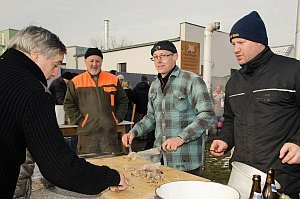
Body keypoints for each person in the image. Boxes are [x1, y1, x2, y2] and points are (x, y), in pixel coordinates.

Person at [0, 26, 128, 199]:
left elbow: (123, 101)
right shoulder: (33, 92)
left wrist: (114, 118)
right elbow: (59, 168)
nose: (54, 73)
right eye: (55, 64)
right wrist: (112, 177)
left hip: (108, 135)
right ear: (35, 54)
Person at [210, 11, 300, 198]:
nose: (235, 49)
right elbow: (230, 118)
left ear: (260, 42)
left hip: (281, 176)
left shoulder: (292, 70)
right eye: (233, 44)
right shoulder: (234, 81)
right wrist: (225, 139)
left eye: (241, 43)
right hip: (242, 174)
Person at [122, 40, 215, 176]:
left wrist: (180, 138)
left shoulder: (192, 80)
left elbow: (207, 114)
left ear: (175, 57)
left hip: (186, 160)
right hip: (161, 158)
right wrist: (134, 132)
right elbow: (151, 117)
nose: (159, 60)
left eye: (163, 55)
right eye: (155, 57)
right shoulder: (154, 85)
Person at [64, 48, 128, 155]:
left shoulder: (113, 79)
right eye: (91, 61)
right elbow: (68, 104)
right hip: (87, 135)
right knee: (89, 167)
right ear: (85, 62)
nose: (94, 64)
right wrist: (81, 121)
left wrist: (116, 119)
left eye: (98, 61)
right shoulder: (76, 81)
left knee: (110, 166)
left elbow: (123, 101)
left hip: (109, 135)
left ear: (101, 62)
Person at [132, 75, 155, 150]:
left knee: (140, 121)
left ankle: (138, 136)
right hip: (147, 107)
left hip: (138, 108)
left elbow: (134, 99)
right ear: (146, 80)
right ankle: (145, 137)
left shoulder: (136, 88)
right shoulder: (149, 88)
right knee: (150, 122)